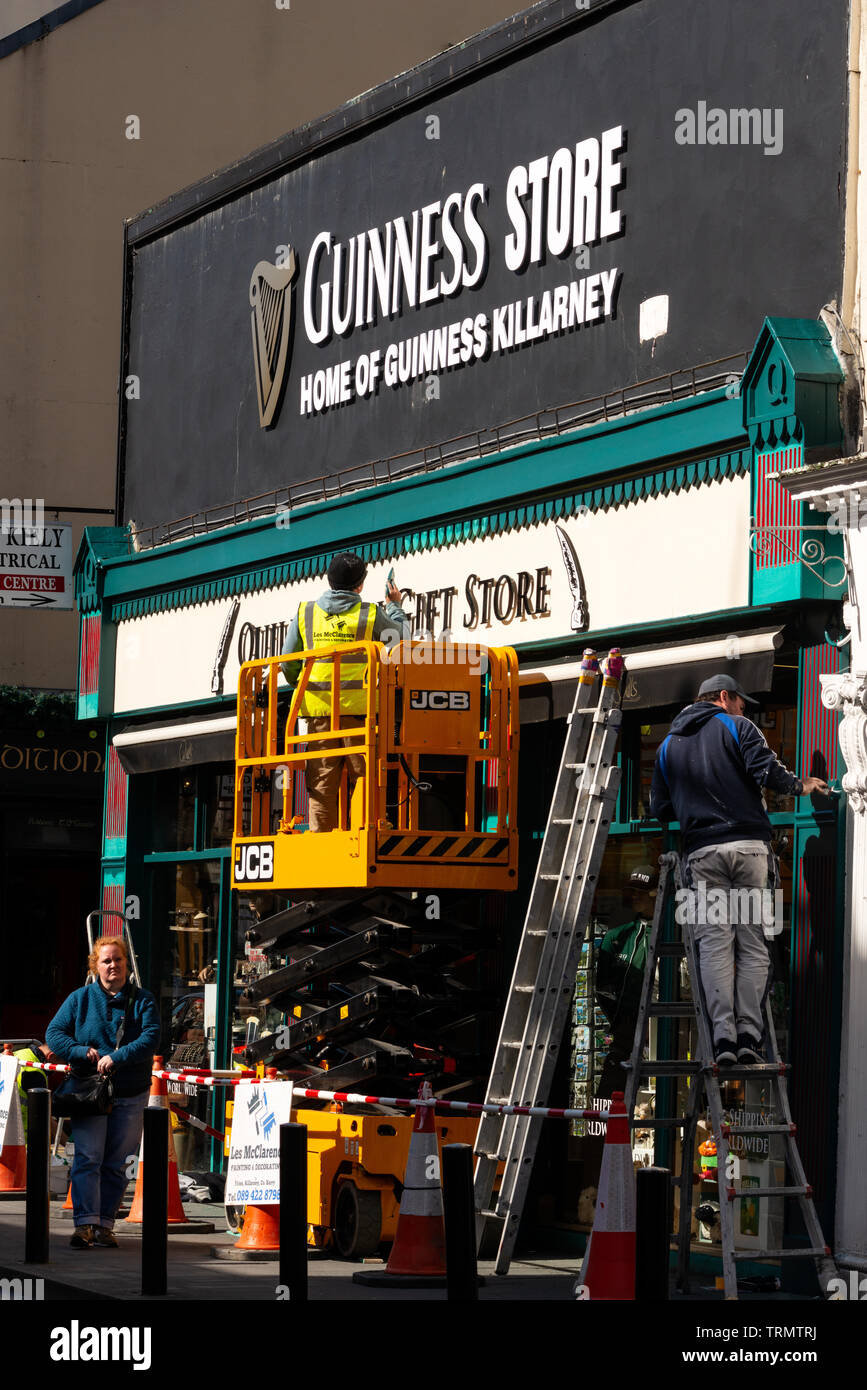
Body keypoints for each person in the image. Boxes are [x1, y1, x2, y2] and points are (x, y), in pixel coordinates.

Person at [650, 674, 828, 1066]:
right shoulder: (736, 726)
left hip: (703, 856)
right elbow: (768, 772)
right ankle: (750, 1034)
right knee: (751, 944)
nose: (744, 708)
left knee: (713, 946)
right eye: (741, 702)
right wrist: (801, 787)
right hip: (748, 851)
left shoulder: (667, 746)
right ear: (725, 697)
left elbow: (658, 808)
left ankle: (724, 1040)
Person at [281, 551, 410, 831]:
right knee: (364, 777)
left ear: (328, 579)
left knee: (322, 782)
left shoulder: (306, 612)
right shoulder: (370, 614)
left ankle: (320, 839)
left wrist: (300, 684)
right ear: (360, 585)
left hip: (319, 715)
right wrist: (395, 607)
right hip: (360, 714)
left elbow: (287, 662)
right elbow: (403, 640)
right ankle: (364, 834)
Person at [46, 936, 160, 1248]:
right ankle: (84, 1224)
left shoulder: (144, 1000)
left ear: (127, 963)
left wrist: (117, 1057)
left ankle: (105, 1225)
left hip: (130, 1091)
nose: (113, 966)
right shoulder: (79, 999)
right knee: (88, 1157)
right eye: (106, 960)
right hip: (90, 1093)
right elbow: (53, 1034)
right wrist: (81, 1051)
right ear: (96, 966)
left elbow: (151, 1038)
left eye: (118, 959)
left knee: (118, 1162)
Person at [595, 864, 656, 1096]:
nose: (635, 896)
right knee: (610, 1098)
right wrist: (622, 1022)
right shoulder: (618, 936)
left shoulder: (676, 933)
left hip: (668, 1035)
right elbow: (603, 988)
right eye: (632, 890)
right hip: (625, 1036)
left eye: (641, 891)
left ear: (656, 893)